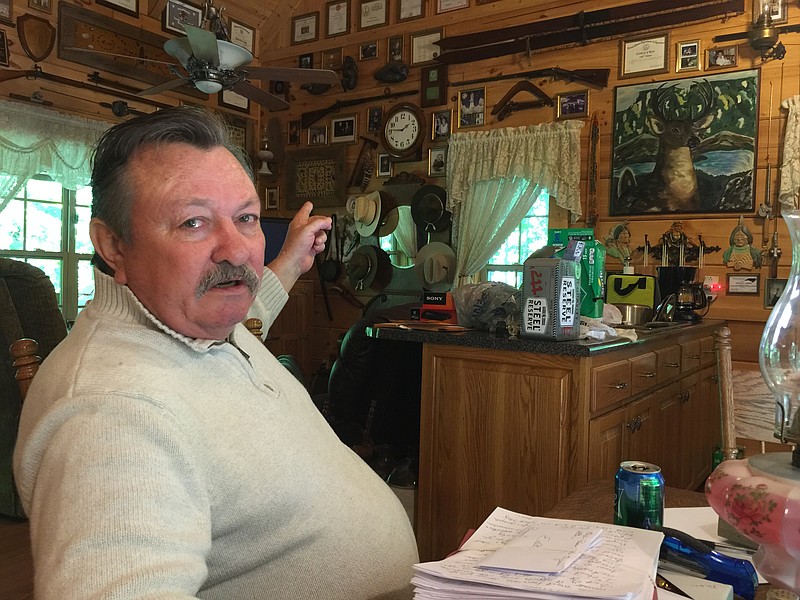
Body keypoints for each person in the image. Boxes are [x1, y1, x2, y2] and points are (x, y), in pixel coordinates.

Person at [13, 106, 418, 599]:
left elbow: (248, 327)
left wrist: (288, 263)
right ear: (112, 245)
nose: (237, 249)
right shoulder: (114, 416)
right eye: (193, 223)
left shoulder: (199, 323)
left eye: (245, 218)